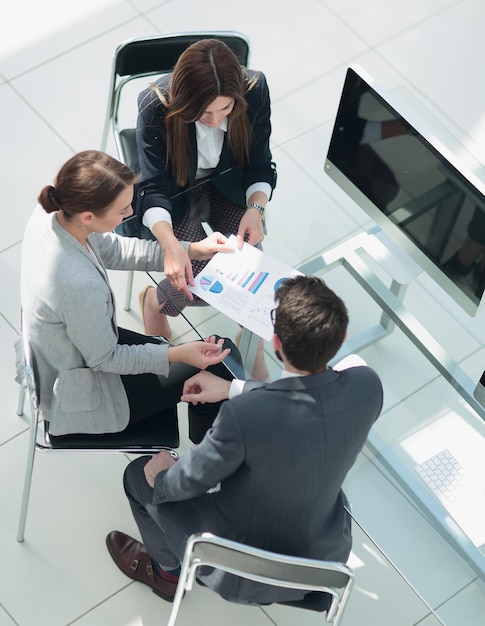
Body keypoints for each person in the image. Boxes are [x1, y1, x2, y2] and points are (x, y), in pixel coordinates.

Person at [106, 275, 383, 605]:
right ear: (343, 338)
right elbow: (309, 398)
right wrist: (230, 388)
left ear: (276, 342)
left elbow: (188, 481)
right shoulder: (368, 388)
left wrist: (162, 475)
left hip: (238, 567)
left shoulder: (246, 416)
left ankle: (167, 573)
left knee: (138, 476)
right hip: (319, 564)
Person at [19, 150, 237, 438]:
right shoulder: (79, 285)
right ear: (88, 216)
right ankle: (208, 466)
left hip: (68, 350)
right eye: (122, 210)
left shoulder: (53, 215)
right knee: (224, 362)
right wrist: (177, 353)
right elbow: (106, 360)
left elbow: (118, 250)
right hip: (85, 388)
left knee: (194, 354)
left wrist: (191, 249)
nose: (130, 213)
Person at [133, 38, 276, 381]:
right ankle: (155, 302)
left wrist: (256, 209)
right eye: (203, 113)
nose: (214, 122)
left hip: (229, 183)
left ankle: (248, 338)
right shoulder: (154, 105)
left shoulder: (255, 89)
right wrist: (170, 244)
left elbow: (260, 163)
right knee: (186, 281)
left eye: (225, 110)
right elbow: (151, 187)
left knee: (248, 279)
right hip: (174, 189)